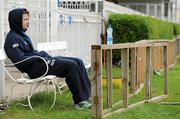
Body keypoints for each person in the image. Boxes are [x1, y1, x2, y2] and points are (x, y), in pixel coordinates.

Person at [4, 8, 91, 109]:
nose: (28, 22)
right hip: (34, 69)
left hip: (40, 63)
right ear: (16, 20)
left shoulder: (21, 34)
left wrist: (40, 54)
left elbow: (29, 52)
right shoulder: (12, 39)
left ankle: (88, 95)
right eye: (25, 19)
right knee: (71, 66)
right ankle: (80, 102)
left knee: (78, 61)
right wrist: (39, 55)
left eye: (28, 19)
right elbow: (20, 60)